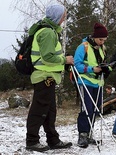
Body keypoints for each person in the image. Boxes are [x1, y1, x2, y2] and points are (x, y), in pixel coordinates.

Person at [26, 4, 73, 152]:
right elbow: (47, 57)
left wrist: (63, 63)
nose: (64, 18)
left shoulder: (50, 30)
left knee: (50, 111)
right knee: (39, 110)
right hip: (43, 76)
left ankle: (53, 140)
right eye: (63, 15)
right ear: (57, 16)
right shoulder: (47, 32)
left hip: (48, 77)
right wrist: (65, 61)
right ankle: (32, 141)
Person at [74, 23, 111, 148]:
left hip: (98, 83)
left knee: (96, 110)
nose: (102, 42)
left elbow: (104, 63)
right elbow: (77, 64)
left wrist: (107, 69)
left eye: (104, 40)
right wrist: (91, 69)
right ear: (94, 37)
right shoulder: (83, 47)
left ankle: (89, 133)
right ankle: (83, 135)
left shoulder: (103, 48)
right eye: (100, 39)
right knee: (87, 108)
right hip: (85, 81)